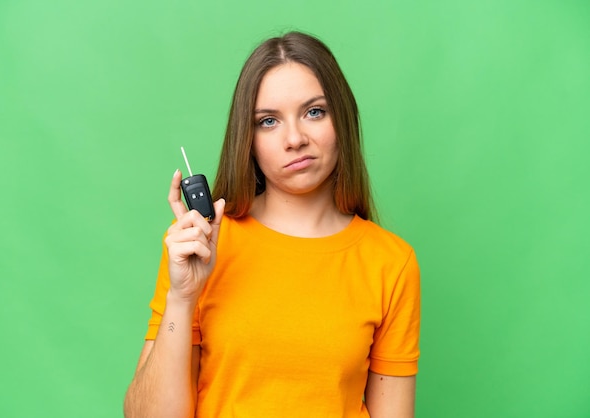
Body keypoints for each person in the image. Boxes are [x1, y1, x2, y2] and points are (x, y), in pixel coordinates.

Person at [124, 31, 421, 418]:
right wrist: (182, 298)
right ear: (247, 140)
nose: (295, 139)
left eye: (315, 111)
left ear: (342, 118)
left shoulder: (390, 263)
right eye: (268, 121)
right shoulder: (201, 244)